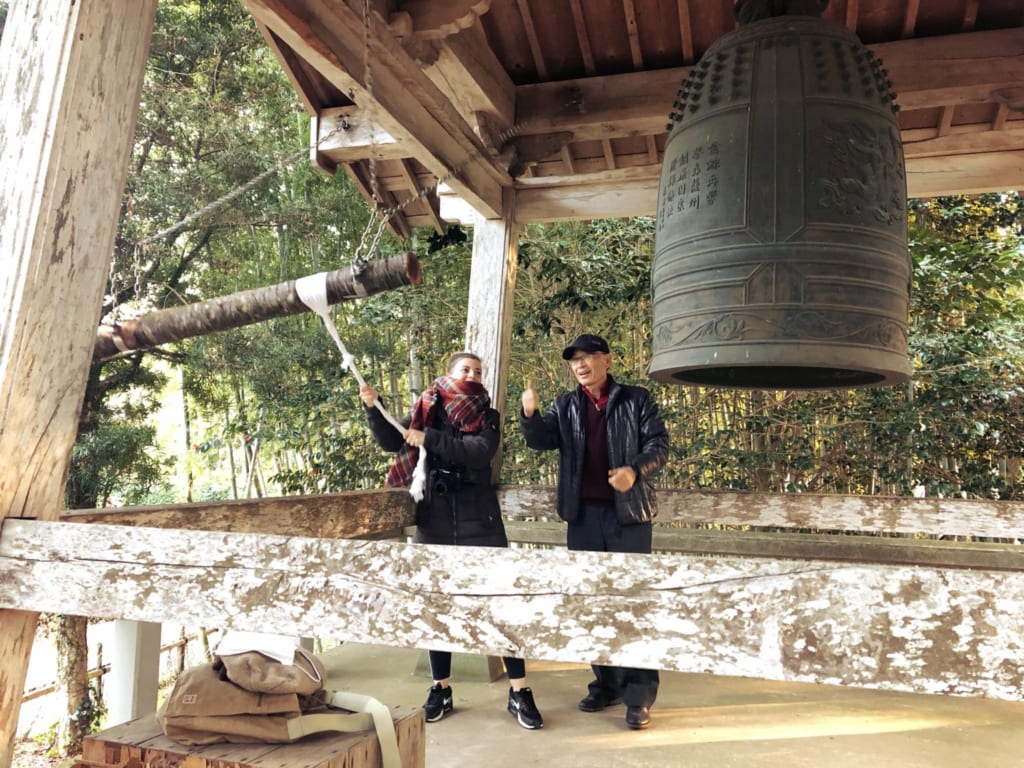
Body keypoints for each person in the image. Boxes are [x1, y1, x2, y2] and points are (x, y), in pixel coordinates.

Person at [360, 351, 544, 730]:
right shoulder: (428, 406)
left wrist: (431, 438)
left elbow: (479, 453)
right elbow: (392, 441)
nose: (472, 375)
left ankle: (519, 691)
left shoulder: (487, 415)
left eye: (477, 371)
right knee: (436, 606)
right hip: (436, 519)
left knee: (500, 605)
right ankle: (440, 688)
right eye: (465, 369)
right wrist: (373, 408)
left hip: (482, 520)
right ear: (448, 374)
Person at [519, 333, 669, 730]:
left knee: (633, 605)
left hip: (629, 517)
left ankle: (638, 696)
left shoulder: (636, 399)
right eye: (574, 361)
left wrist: (633, 470)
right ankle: (607, 684)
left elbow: (660, 445)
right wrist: (531, 415)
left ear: (607, 360)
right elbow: (542, 441)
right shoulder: (566, 406)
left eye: (587, 358)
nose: (581, 365)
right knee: (592, 603)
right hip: (583, 518)